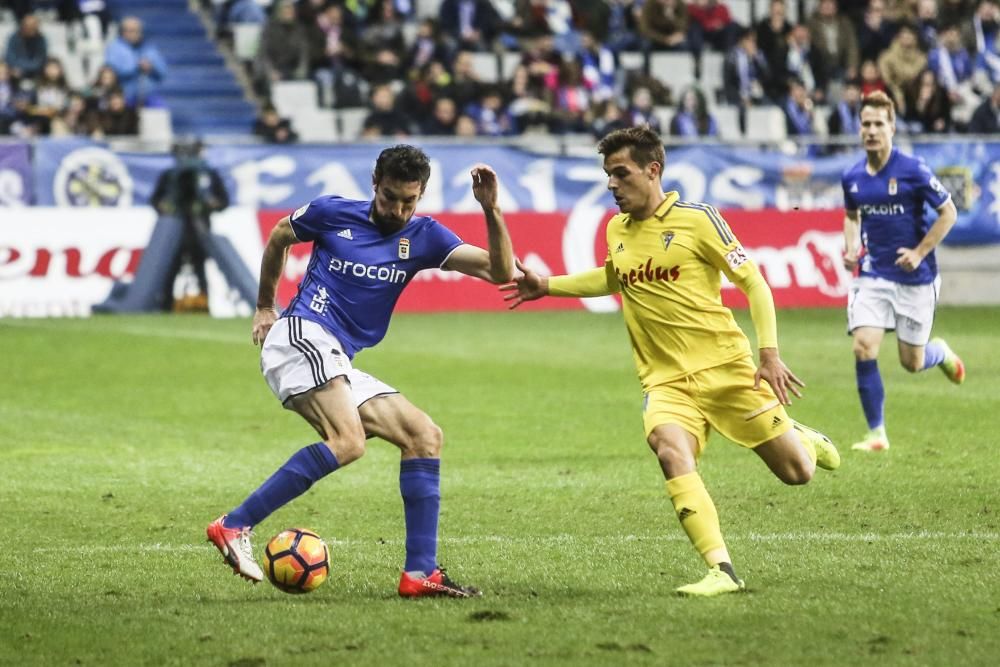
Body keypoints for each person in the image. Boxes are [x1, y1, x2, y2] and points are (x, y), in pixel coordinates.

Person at [501, 126, 840, 597]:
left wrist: (769, 354)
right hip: (664, 382)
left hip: (727, 370)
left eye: (621, 173)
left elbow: (754, 283)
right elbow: (614, 277)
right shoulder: (616, 229)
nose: (612, 185)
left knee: (796, 473)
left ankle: (798, 435)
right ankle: (722, 570)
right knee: (668, 447)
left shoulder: (699, 220)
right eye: (607, 175)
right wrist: (549, 285)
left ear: (652, 170)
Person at [206, 145, 514, 598]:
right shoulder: (333, 213)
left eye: (410, 201)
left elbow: (501, 271)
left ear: (422, 194)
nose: (398, 209)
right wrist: (265, 306)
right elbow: (278, 235)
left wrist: (491, 210)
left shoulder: (424, 236)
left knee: (423, 435)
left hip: (337, 356)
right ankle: (234, 525)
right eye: (391, 197)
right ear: (375, 183)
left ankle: (419, 573)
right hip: (301, 334)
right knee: (348, 442)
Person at [841, 91, 965, 453]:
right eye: (866, 124)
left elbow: (949, 213)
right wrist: (850, 247)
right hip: (872, 275)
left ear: (892, 127)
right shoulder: (852, 177)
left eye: (879, 124)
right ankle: (877, 433)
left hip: (916, 279)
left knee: (912, 362)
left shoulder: (913, 170)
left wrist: (919, 251)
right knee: (864, 347)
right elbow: (851, 217)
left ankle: (938, 352)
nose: (872, 131)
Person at [149, 137, 230, 310]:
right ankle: (166, 306)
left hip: (199, 229)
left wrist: (209, 204)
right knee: (170, 269)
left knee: (199, 269)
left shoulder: (208, 174)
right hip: (175, 229)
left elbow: (223, 201)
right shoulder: (171, 176)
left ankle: (204, 306)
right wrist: (167, 207)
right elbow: (156, 200)